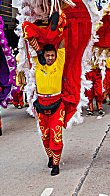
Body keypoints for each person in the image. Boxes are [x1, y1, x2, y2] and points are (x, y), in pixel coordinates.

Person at [34, 40, 65, 176]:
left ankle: (56, 165)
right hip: (41, 104)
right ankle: (50, 157)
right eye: (48, 56)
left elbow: (63, 44)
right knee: (45, 135)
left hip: (57, 104)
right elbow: (29, 39)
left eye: (53, 55)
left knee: (56, 135)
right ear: (43, 55)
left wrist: (62, 23)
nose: (51, 58)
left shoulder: (59, 63)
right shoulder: (36, 63)